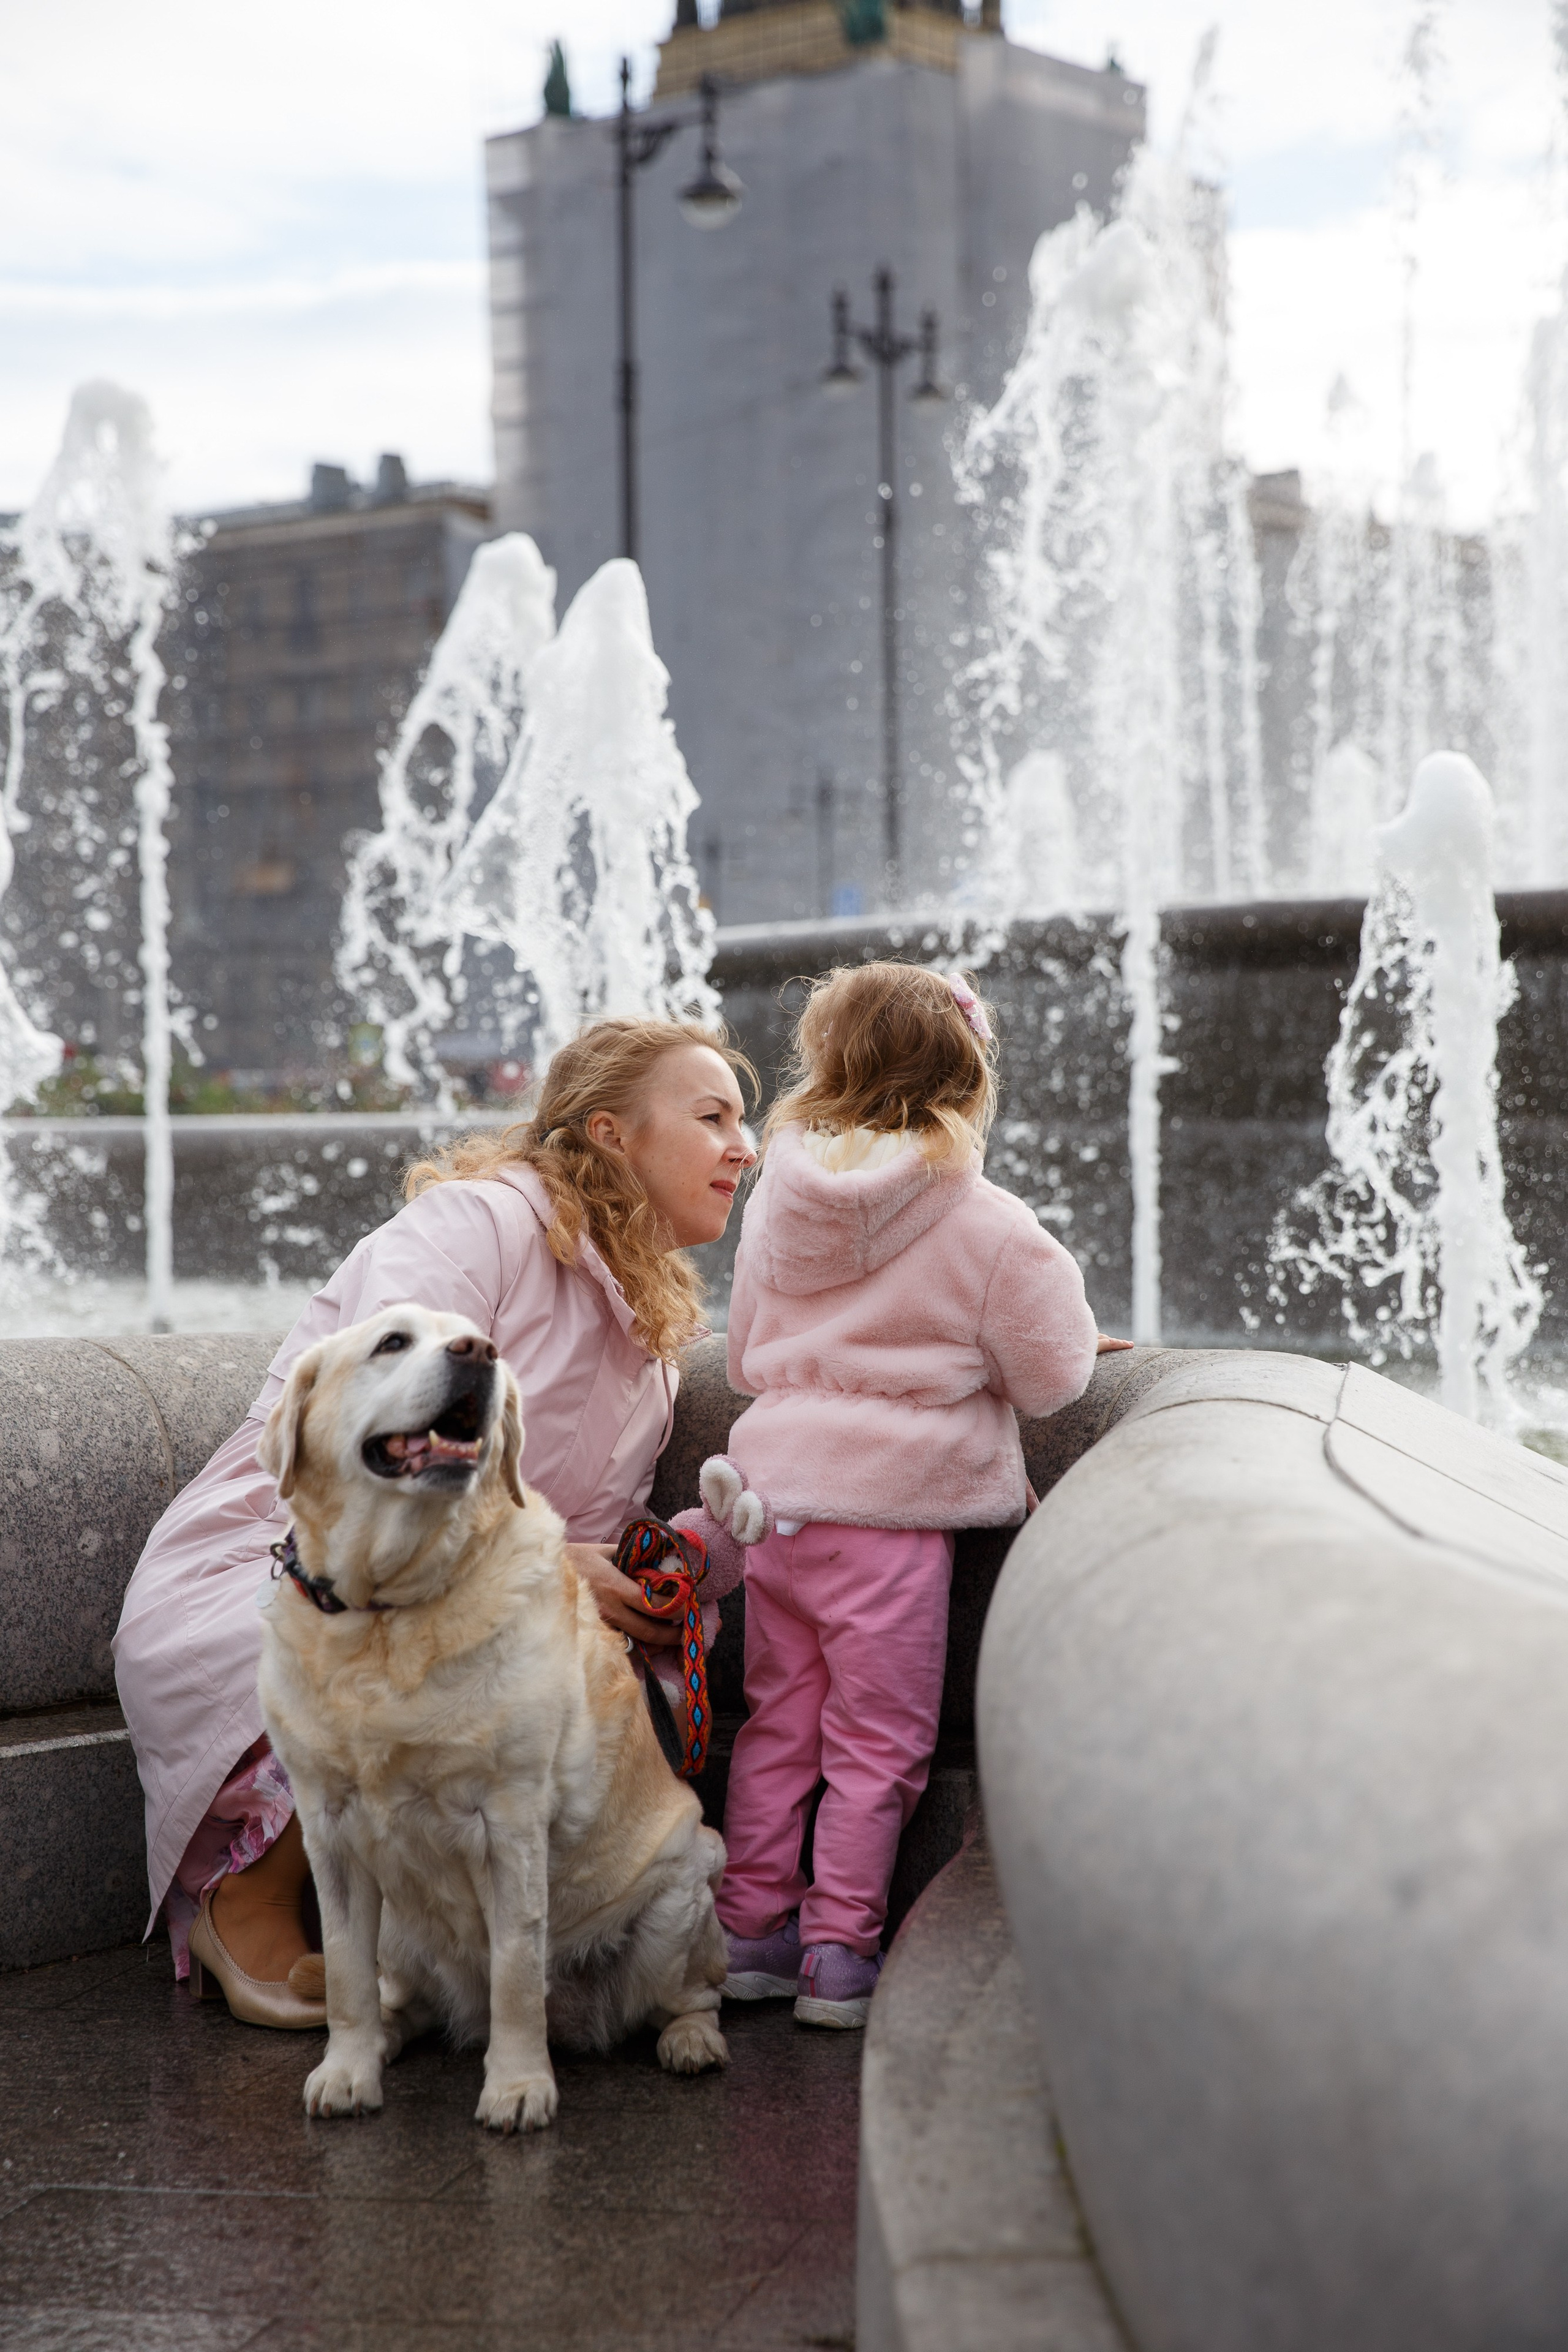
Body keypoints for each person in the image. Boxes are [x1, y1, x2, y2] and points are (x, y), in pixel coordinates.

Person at [114, 1017, 756, 2028]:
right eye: (713, 1116)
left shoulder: (653, 1334)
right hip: (294, 1557)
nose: (744, 1147)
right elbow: (368, 1439)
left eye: (744, 1124)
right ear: (610, 1132)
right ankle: (244, 1896)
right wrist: (545, 1573)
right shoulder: (482, 1224)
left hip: (486, 1593)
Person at [716, 962, 1118, 2029]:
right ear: (969, 1070)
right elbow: (1056, 1378)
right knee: (876, 1749)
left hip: (774, 1508)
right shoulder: (986, 1222)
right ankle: (840, 1955)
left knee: (777, 1728)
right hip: (890, 1526)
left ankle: (748, 1931)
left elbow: (749, 1358)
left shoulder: (777, 1205)